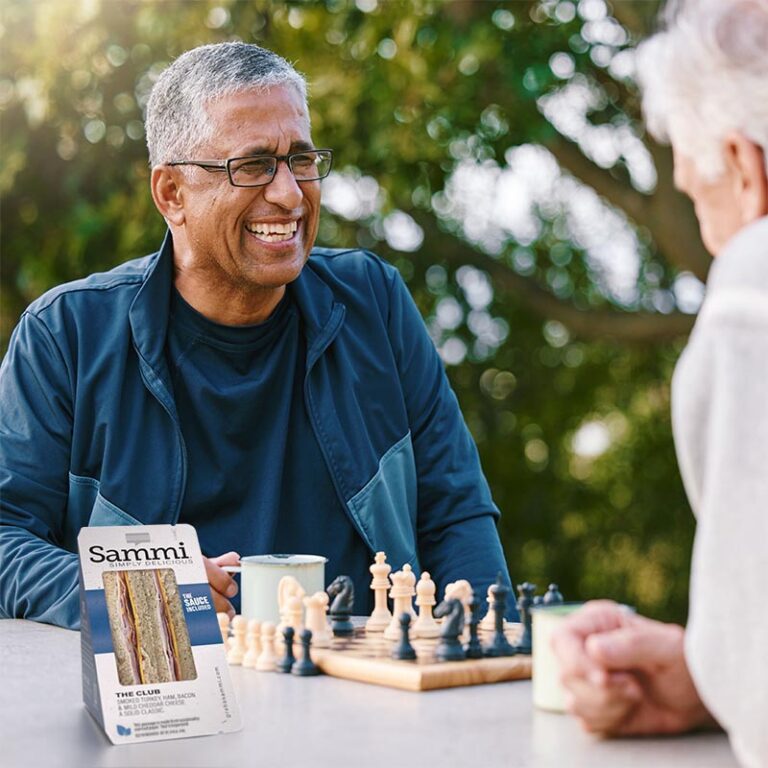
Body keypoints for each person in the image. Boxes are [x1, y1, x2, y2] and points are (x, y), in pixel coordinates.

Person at [0, 42, 513, 629]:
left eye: (300, 158)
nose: (290, 194)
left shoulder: (375, 302)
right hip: (173, 705)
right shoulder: (65, 335)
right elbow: (5, 540)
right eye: (252, 166)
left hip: (367, 698)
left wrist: (486, 654)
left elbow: (456, 514)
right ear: (172, 194)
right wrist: (140, 596)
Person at [550, 2, 768, 767]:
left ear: (746, 169)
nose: (710, 242)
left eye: (696, 194)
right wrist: (710, 675)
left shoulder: (753, 288)